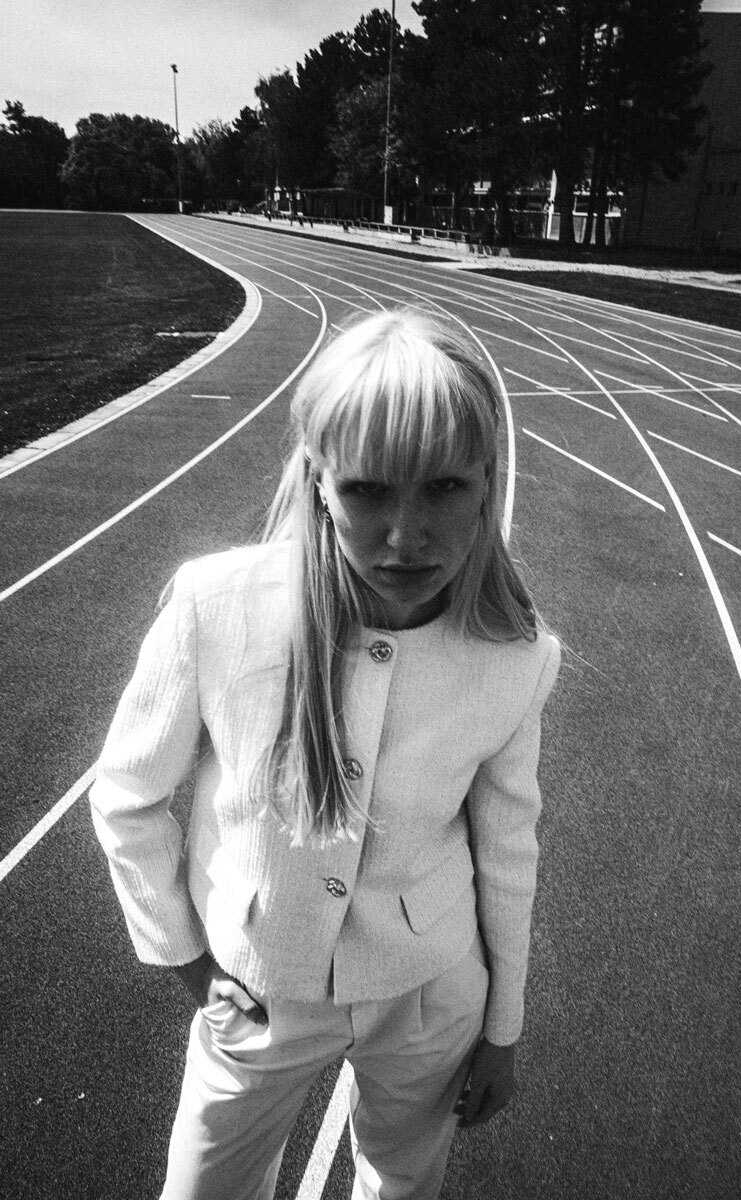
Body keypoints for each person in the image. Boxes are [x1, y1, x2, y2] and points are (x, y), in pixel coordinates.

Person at [89, 308, 561, 1200]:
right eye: (368, 491)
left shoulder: (512, 656)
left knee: (401, 1183)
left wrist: (503, 1027)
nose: (405, 536)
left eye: (446, 489)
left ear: (490, 482)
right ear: (316, 481)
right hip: (259, 990)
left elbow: (509, 848)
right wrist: (188, 959)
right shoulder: (217, 608)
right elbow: (126, 796)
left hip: (427, 996)